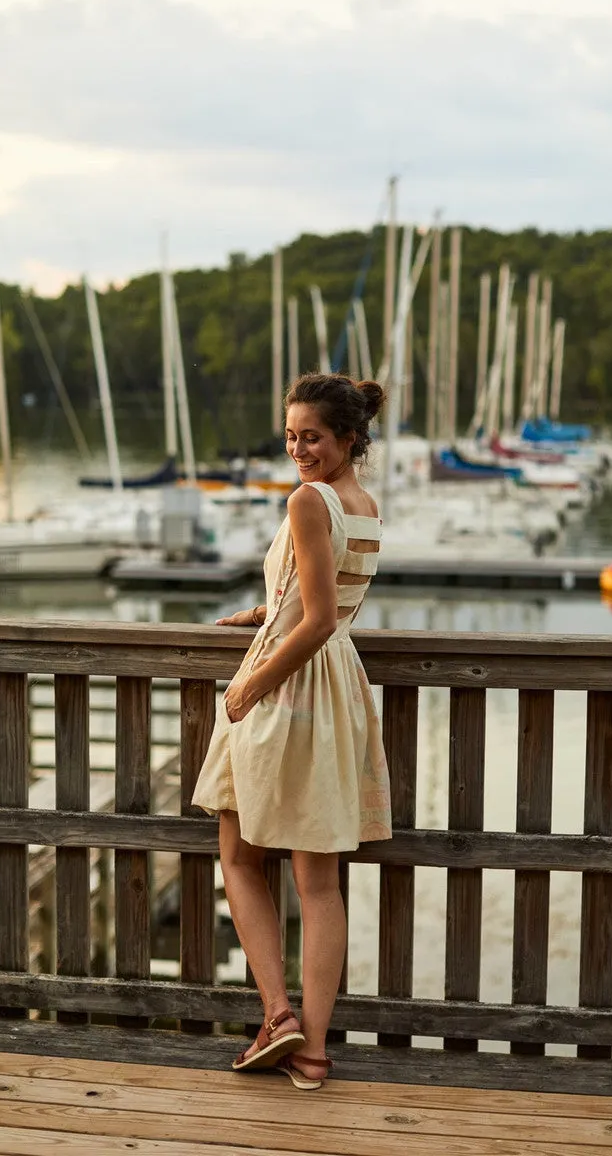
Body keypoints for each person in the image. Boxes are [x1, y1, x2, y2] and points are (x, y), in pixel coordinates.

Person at [192, 372, 392, 1090]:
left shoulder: (307, 500)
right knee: (319, 879)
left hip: (289, 687)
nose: (297, 449)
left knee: (241, 854)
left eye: (311, 436)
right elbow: (324, 600)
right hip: (336, 686)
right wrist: (262, 613)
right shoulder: (362, 504)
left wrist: (248, 682)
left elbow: (312, 619)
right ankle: (312, 1054)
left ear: (347, 438)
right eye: (289, 436)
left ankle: (278, 1013)